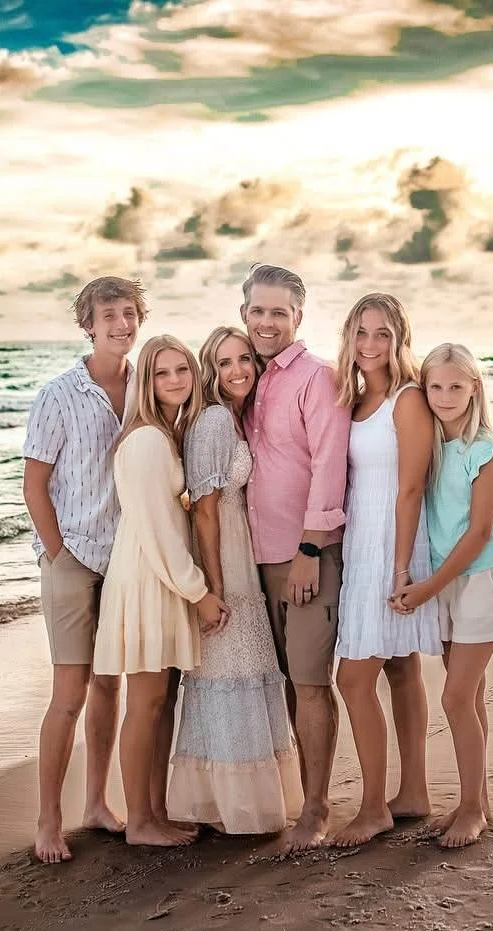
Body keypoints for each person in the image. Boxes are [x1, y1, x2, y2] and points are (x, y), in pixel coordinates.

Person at [22, 276, 144, 864]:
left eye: (129, 314)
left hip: (126, 561)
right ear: (88, 325)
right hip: (74, 558)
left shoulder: (146, 385)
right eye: (109, 316)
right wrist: (56, 552)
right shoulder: (58, 394)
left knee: (109, 686)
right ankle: (48, 820)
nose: (122, 324)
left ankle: (97, 803)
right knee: (68, 692)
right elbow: (34, 484)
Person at [93, 334, 229, 847]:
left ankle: (152, 811)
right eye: (161, 373)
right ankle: (141, 822)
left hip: (159, 576)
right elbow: (160, 532)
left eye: (182, 371)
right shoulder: (149, 440)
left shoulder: (163, 434)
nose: (174, 380)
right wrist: (201, 592)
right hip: (151, 577)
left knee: (157, 703)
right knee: (146, 703)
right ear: (146, 383)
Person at [168, 326, 303, 835]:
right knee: (228, 672)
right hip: (223, 559)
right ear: (211, 370)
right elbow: (203, 512)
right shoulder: (215, 420)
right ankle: (231, 806)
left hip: (239, 553)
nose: (238, 370)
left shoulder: (236, 417)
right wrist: (215, 590)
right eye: (224, 363)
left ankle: (232, 801)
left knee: (238, 672)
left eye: (244, 358)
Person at [239, 263, 350, 854]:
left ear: (298, 317)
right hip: (256, 558)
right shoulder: (245, 379)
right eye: (258, 310)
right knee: (287, 680)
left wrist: (310, 550)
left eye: (279, 311)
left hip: (304, 557)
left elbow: (330, 469)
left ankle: (316, 806)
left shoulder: (317, 378)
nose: (267, 321)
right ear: (244, 315)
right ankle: (300, 791)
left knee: (310, 682)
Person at [393, 343, 493, 848]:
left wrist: (427, 587)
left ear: (475, 389)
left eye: (456, 386)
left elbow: (480, 533)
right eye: (435, 387)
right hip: (445, 579)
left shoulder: (485, 451)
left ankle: (470, 809)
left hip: (481, 578)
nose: (445, 397)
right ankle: (478, 801)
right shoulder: (434, 448)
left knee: (456, 696)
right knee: (472, 695)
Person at [330, 292, 442, 847]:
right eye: (361, 332)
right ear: (348, 336)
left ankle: (374, 806)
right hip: (361, 541)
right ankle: (413, 792)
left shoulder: (409, 399)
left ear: (398, 340)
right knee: (399, 669)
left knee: (353, 678)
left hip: (391, 546)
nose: (370, 344)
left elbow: (412, 487)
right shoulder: (351, 400)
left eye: (382, 334)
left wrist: (401, 570)